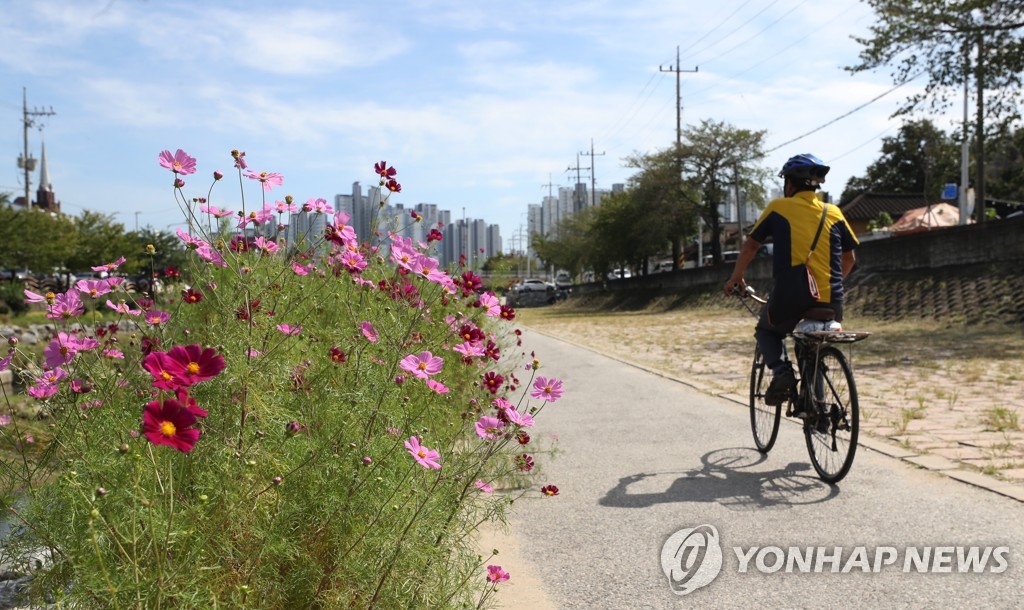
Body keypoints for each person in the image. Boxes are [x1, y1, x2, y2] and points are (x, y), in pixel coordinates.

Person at [724, 153, 859, 409]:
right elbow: (850, 258)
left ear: (790, 184)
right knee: (813, 344)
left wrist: (736, 277)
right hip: (833, 300)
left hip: (791, 295)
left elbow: (752, 244)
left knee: (766, 329)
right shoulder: (834, 212)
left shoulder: (779, 208)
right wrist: (831, 283)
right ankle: (816, 407)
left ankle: (781, 370)